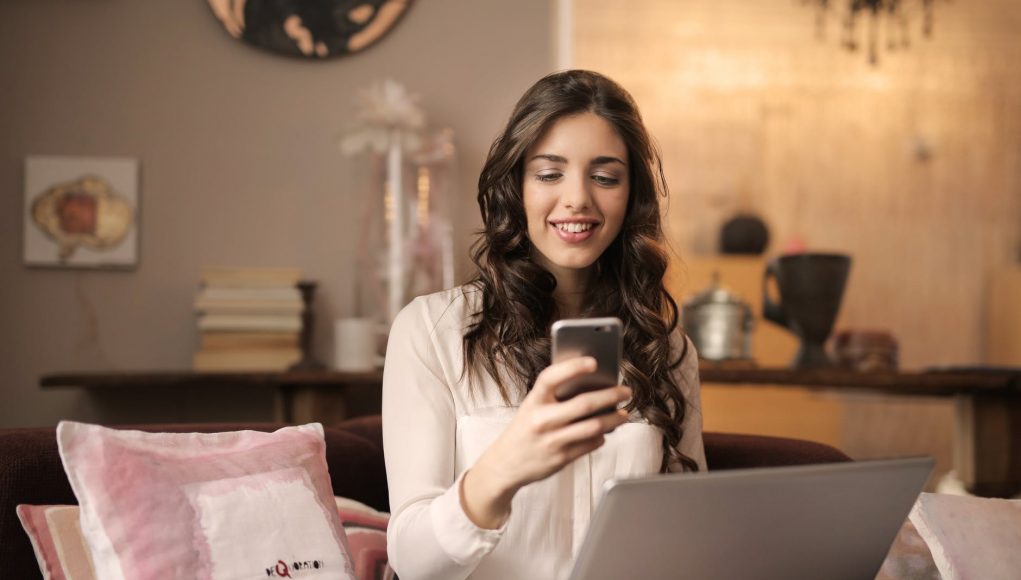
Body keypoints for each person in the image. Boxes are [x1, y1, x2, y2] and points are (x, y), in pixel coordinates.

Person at [382, 69, 705, 580]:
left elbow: (690, 536)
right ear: (516, 186)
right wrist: (504, 466)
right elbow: (413, 561)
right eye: (549, 173)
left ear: (631, 195)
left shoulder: (665, 348)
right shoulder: (431, 330)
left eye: (605, 176)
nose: (577, 198)